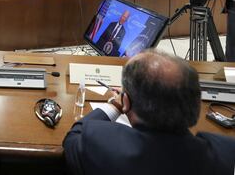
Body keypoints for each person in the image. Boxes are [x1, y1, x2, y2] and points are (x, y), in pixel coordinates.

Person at [63, 50, 235, 175]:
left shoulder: (99, 142)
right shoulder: (225, 153)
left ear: (126, 102)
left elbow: (73, 137)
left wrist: (115, 106)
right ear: (196, 104)